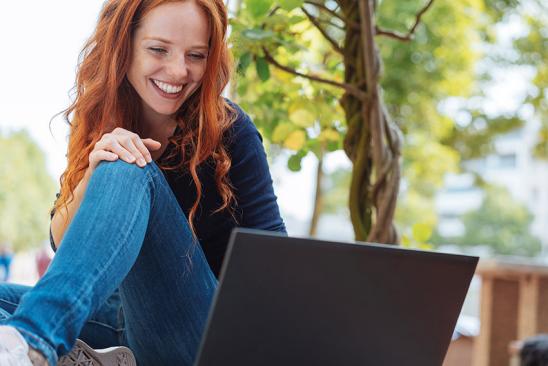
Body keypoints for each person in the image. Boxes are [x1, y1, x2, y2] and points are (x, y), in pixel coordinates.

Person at [0, 0, 286, 365]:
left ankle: (35, 343)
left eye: (196, 55)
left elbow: (275, 266)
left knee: (128, 164)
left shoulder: (231, 131)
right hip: (122, 321)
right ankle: (60, 348)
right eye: (158, 49)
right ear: (124, 43)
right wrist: (92, 169)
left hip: (204, 333)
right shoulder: (99, 116)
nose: (178, 70)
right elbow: (61, 242)